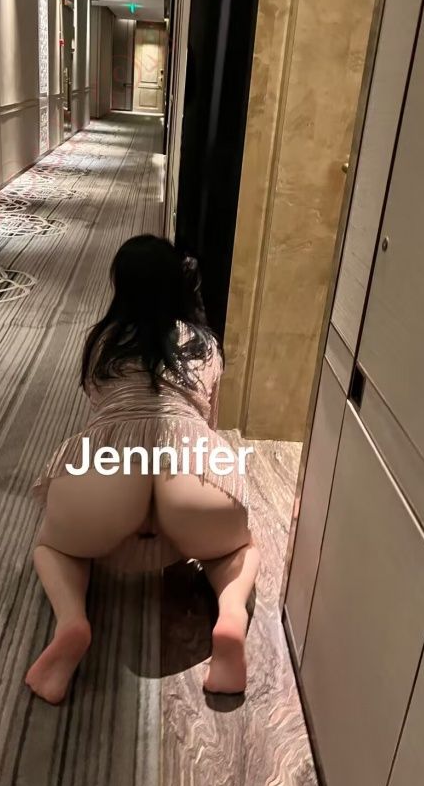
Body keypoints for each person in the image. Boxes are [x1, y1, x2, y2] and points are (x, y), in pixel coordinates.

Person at [25, 235, 258, 704]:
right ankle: (231, 614)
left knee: (53, 547)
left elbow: (99, 411)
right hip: (190, 475)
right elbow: (208, 421)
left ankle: (71, 621)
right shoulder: (205, 343)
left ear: (121, 286)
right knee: (239, 548)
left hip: (110, 469)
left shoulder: (103, 340)